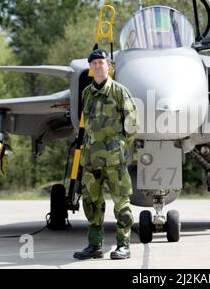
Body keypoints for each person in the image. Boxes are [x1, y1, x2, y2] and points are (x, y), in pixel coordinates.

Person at [73, 48, 138, 260]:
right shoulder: (87, 93)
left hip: (114, 160)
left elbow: (132, 125)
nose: (98, 66)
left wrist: (118, 147)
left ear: (109, 67)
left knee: (121, 203)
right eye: (94, 64)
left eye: (101, 63)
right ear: (91, 68)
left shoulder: (120, 91)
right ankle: (94, 246)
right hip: (91, 159)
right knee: (91, 203)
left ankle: (123, 245)